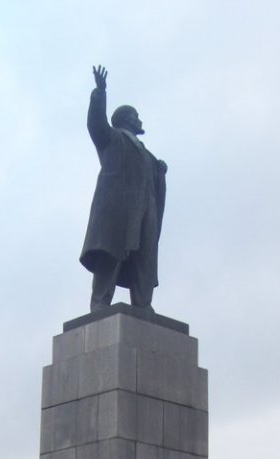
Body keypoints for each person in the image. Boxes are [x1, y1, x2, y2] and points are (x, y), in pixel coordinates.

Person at [80, 66, 167, 312]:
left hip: (146, 209)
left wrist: (159, 172)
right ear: (126, 119)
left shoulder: (146, 154)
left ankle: (143, 303)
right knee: (111, 254)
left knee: (144, 258)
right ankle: (100, 302)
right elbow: (96, 125)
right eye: (136, 116)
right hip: (119, 208)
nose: (140, 120)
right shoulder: (113, 137)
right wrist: (100, 93)